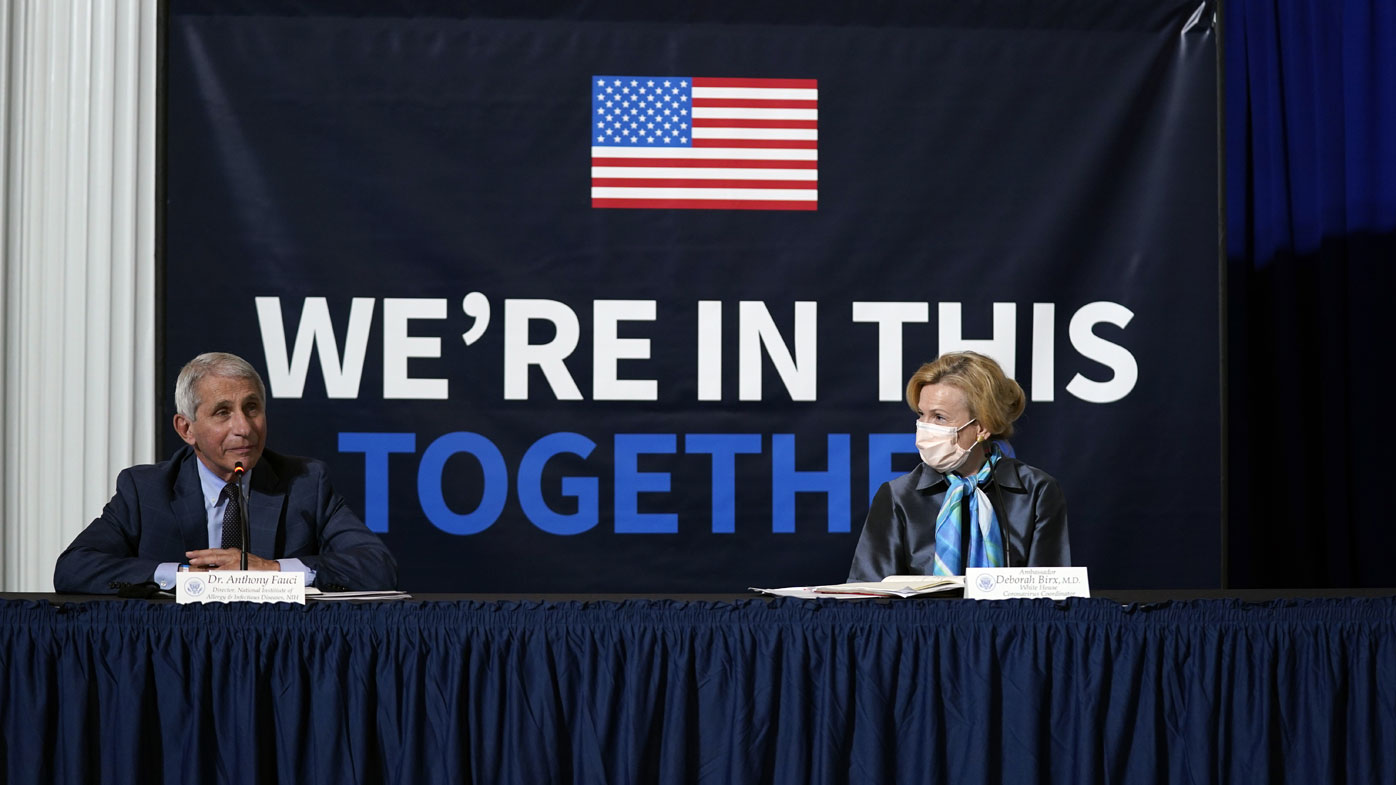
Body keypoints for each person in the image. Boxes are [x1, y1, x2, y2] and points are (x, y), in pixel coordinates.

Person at [54, 352, 397, 594]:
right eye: (222, 412)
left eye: (252, 408)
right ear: (186, 429)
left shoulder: (306, 483)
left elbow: (376, 566)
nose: (243, 428)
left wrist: (271, 570)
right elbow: (74, 569)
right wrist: (187, 577)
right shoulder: (146, 490)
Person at [847, 351, 1069, 581]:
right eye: (922, 415)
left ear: (982, 427)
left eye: (939, 417)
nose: (924, 427)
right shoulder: (898, 496)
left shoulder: (1037, 492)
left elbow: (1050, 595)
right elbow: (868, 597)